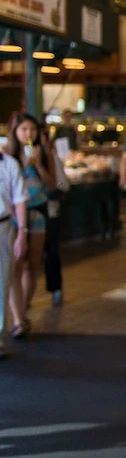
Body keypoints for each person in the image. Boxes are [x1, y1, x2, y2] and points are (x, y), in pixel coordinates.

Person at [7, 114, 53, 339]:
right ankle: (17, 318)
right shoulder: (7, 156)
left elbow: (53, 184)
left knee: (32, 265)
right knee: (15, 265)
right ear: (15, 131)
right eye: (24, 129)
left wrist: (39, 165)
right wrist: (25, 164)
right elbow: (10, 184)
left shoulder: (43, 153)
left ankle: (23, 311)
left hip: (37, 212)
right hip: (13, 216)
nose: (29, 134)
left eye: (32, 130)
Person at [0, 146, 27, 359]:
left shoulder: (9, 163)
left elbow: (19, 200)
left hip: (3, 227)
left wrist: (22, 233)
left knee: (2, 284)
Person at [40, 128, 69, 307]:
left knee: (51, 254)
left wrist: (52, 189)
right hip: (26, 214)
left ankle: (56, 289)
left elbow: (63, 185)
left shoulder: (52, 159)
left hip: (50, 213)